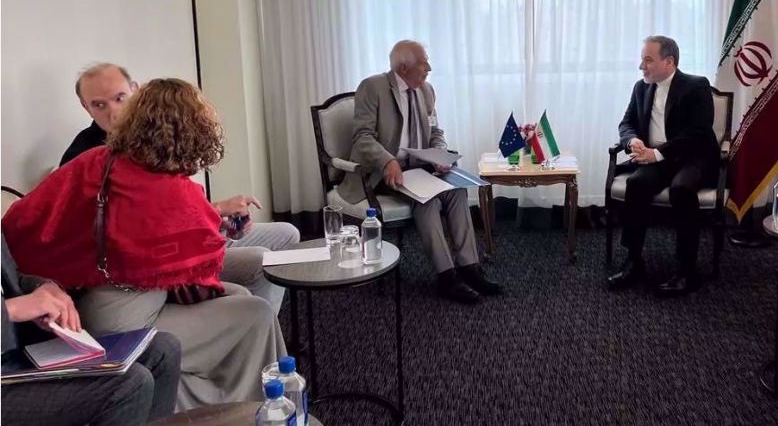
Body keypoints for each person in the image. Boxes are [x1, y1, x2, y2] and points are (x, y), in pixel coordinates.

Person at [3, 78, 286, 410]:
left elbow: (20, 221)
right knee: (253, 312)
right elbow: (195, 282)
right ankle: (244, 407)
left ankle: (225, 398)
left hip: (84, 303)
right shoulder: (170, 192)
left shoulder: (95, 160)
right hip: (125, 318)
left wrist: (38, 283)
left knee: (240, 298)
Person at [60, 62, 299, 314]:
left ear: (135, 91)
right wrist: (215, 211)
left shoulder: (149, 136)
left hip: (187, 237)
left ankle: (268, 325)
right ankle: (261, 328)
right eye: (99, 105)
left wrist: (218, 220)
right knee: (261, 262)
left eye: (120, 98)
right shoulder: (90, 157)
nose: (115, 112)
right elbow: (136, 232)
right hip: (150, 266)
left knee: (287, 233)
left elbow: (175, 207)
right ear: (86, 108)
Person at [339, 40, 501, 304]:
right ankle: (447, 277)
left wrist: (440, 154)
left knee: (457, 192)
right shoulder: (373, 88)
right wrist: (388, 160)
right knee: (426, 201)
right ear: (403, 67)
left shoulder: (426, 91)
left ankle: (470, 268)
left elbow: (436, 132)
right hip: (384, 173)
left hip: (420, 169)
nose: (429, 67)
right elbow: (362, 137)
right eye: (424, 62)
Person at [2, 234, 181, 426]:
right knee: (129, 385)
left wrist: (44, 288)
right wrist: (12, 309)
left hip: (17, 348)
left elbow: (10, 278)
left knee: (163, 350)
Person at [607, 36, 719, 296]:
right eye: (642, 59)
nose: (641, 66)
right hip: (656, 156)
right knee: (637, 184)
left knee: (681, 190)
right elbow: (626, 122)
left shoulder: (696, 86)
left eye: (648, 60)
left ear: (669, 62)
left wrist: (656, 153)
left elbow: (698, 134)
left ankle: (687, 270)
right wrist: (632, 140)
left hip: (693, 156)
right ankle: (634, 260)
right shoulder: (641, 87)